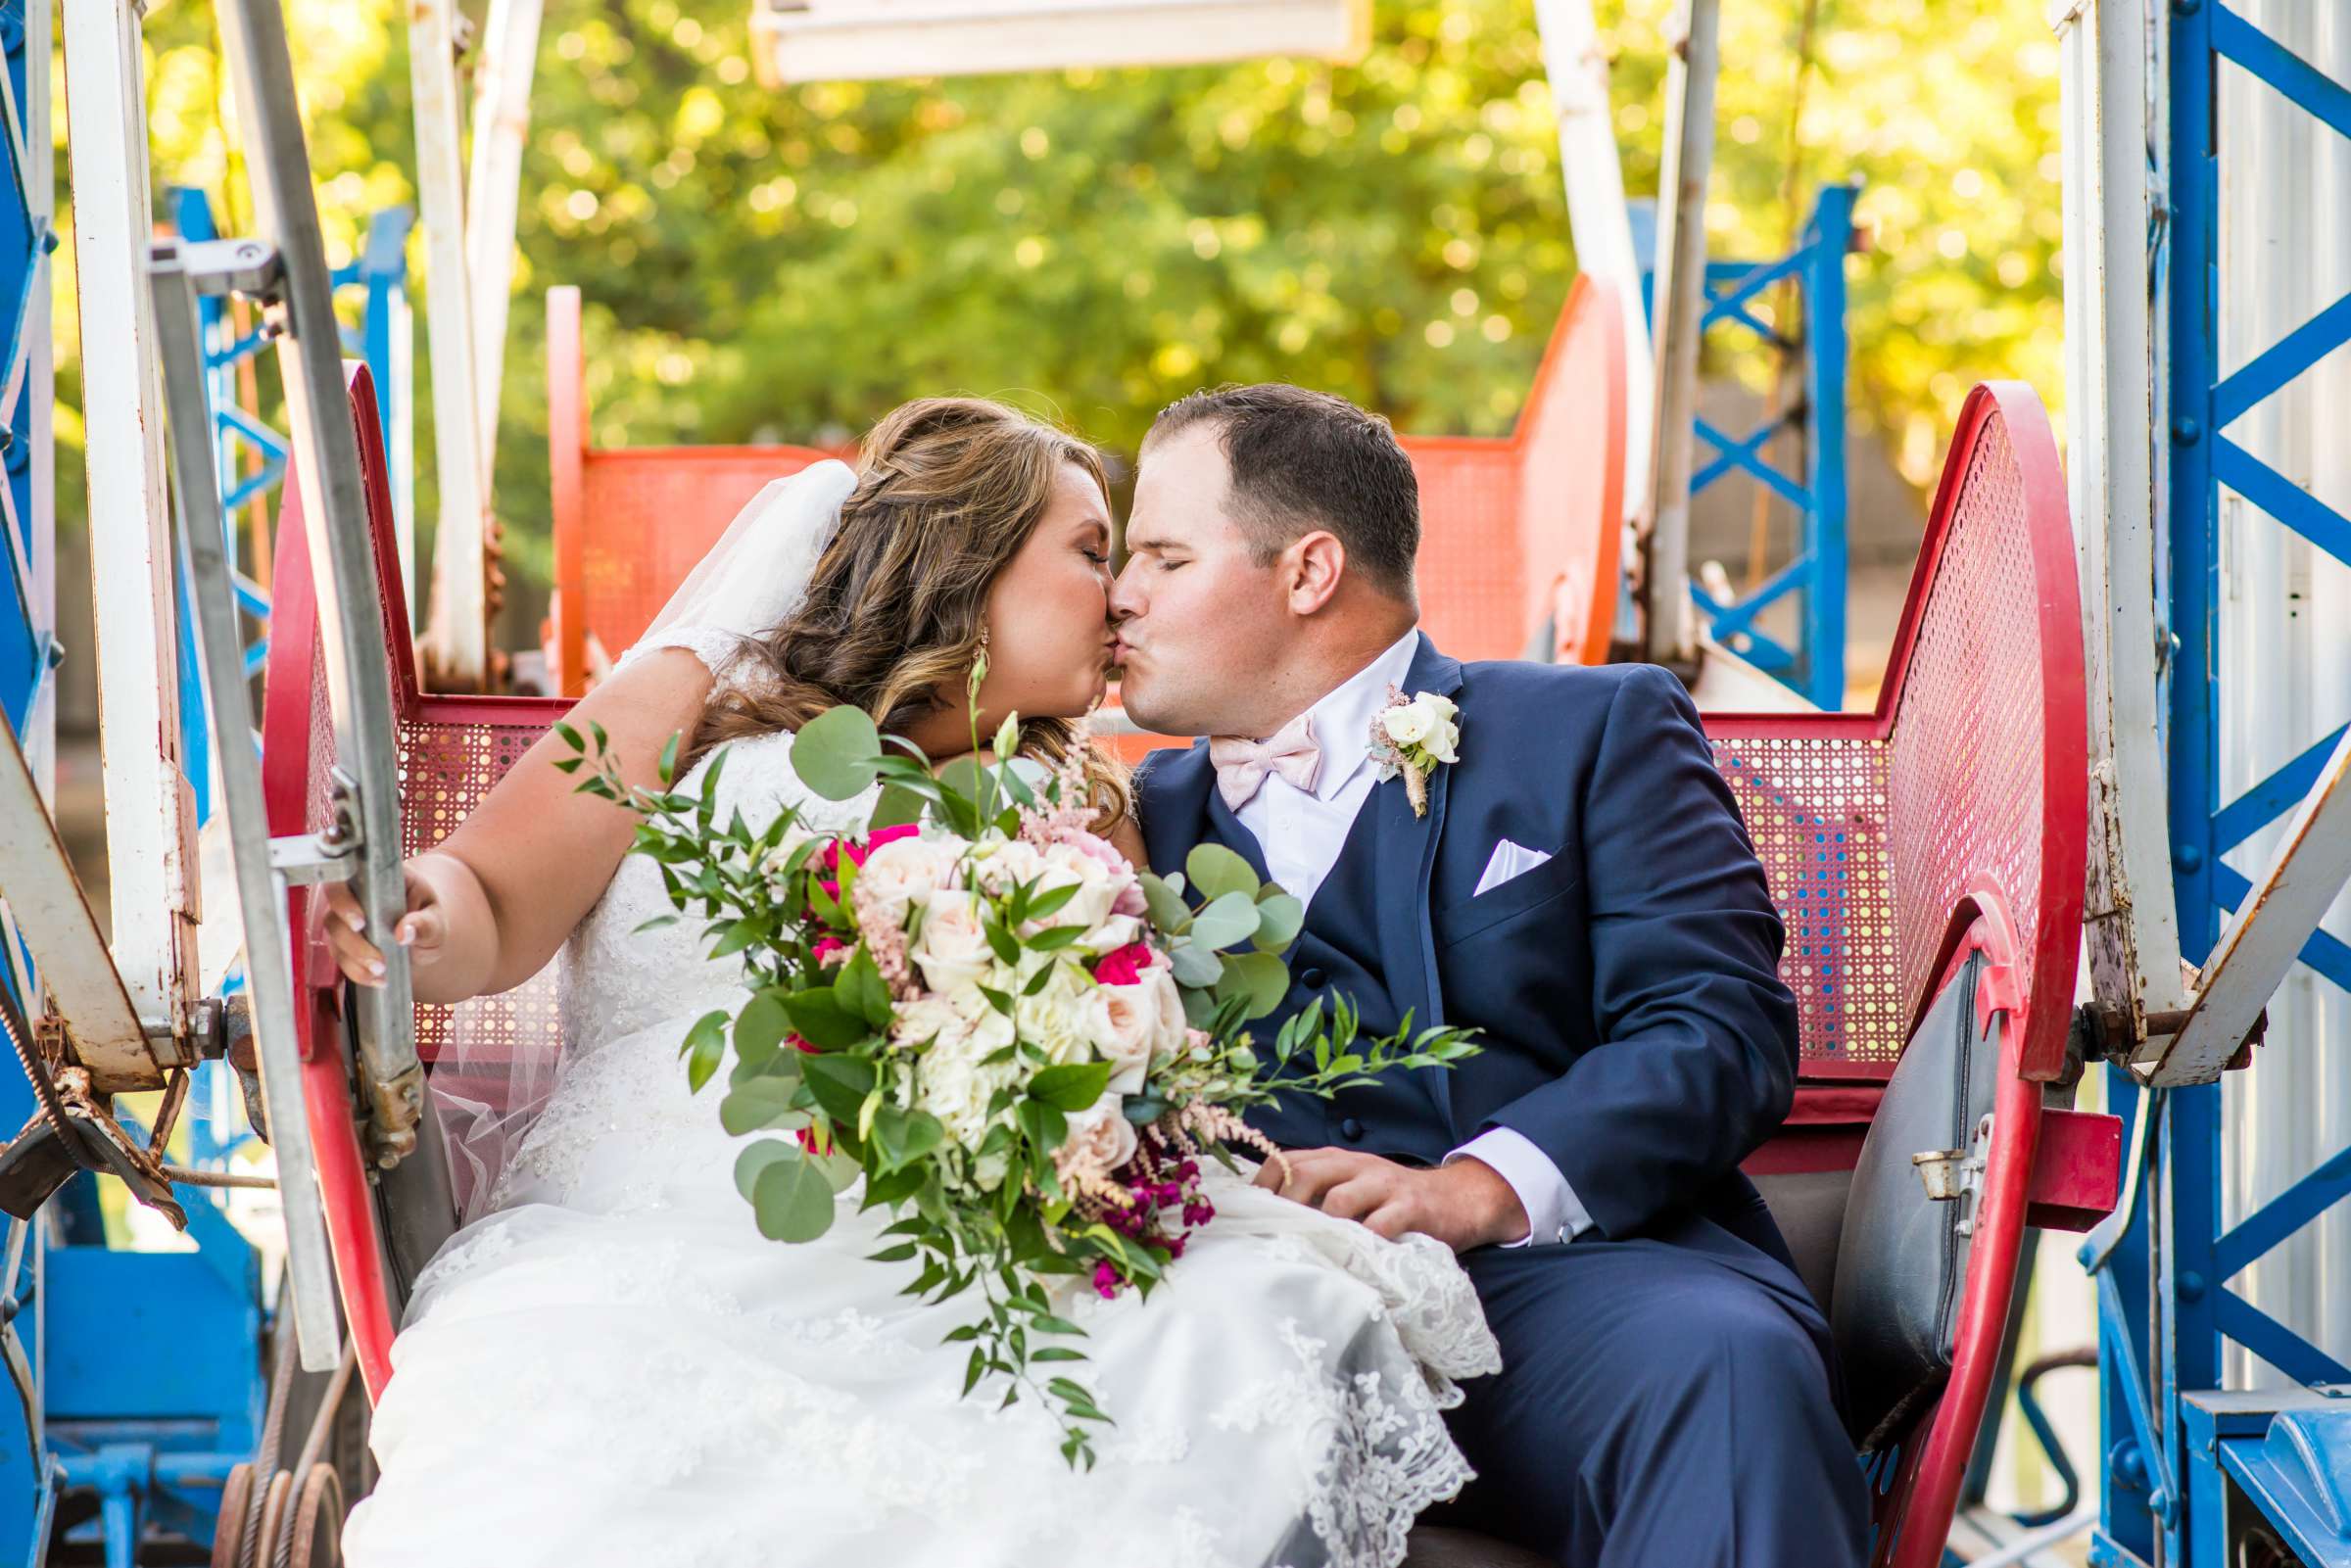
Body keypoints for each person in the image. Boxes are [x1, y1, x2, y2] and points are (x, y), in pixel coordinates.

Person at [328, 398, 1500, 1568]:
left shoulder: (1088, 805)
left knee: (1250, 1330)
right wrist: (422, 915)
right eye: (1094, 552)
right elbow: (493, 895)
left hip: (969, 1235)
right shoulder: (692, 709)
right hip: (654, 1219)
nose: (1128, 593)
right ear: (966, 556)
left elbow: (1148, 1060)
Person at [1114, 384, 1870, 1568]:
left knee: (1723, 1367)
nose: (1122, 593)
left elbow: (1716, 1027)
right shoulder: (1109, 825)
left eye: (1162, 554)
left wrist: (1476, 1186)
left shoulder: (1591, 728)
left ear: (1309, 571)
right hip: (1234, 1316)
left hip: (1563, 1295)